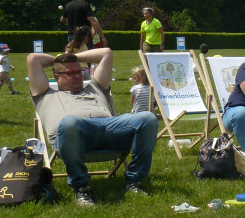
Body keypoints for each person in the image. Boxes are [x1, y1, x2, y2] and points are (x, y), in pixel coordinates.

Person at [28, 47, 158, 207]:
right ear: (56, 76)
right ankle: (82, 188)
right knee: (70, 121)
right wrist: (60, 59)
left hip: (110, 130)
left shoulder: (95, 87)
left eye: (79, 71)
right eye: (70, 73)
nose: (77, 76)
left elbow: (107, 53)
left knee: (148, 118)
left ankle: (134, 182)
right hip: (74, 136)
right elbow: (33, 59)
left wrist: (72, 57)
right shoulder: (45, 94)